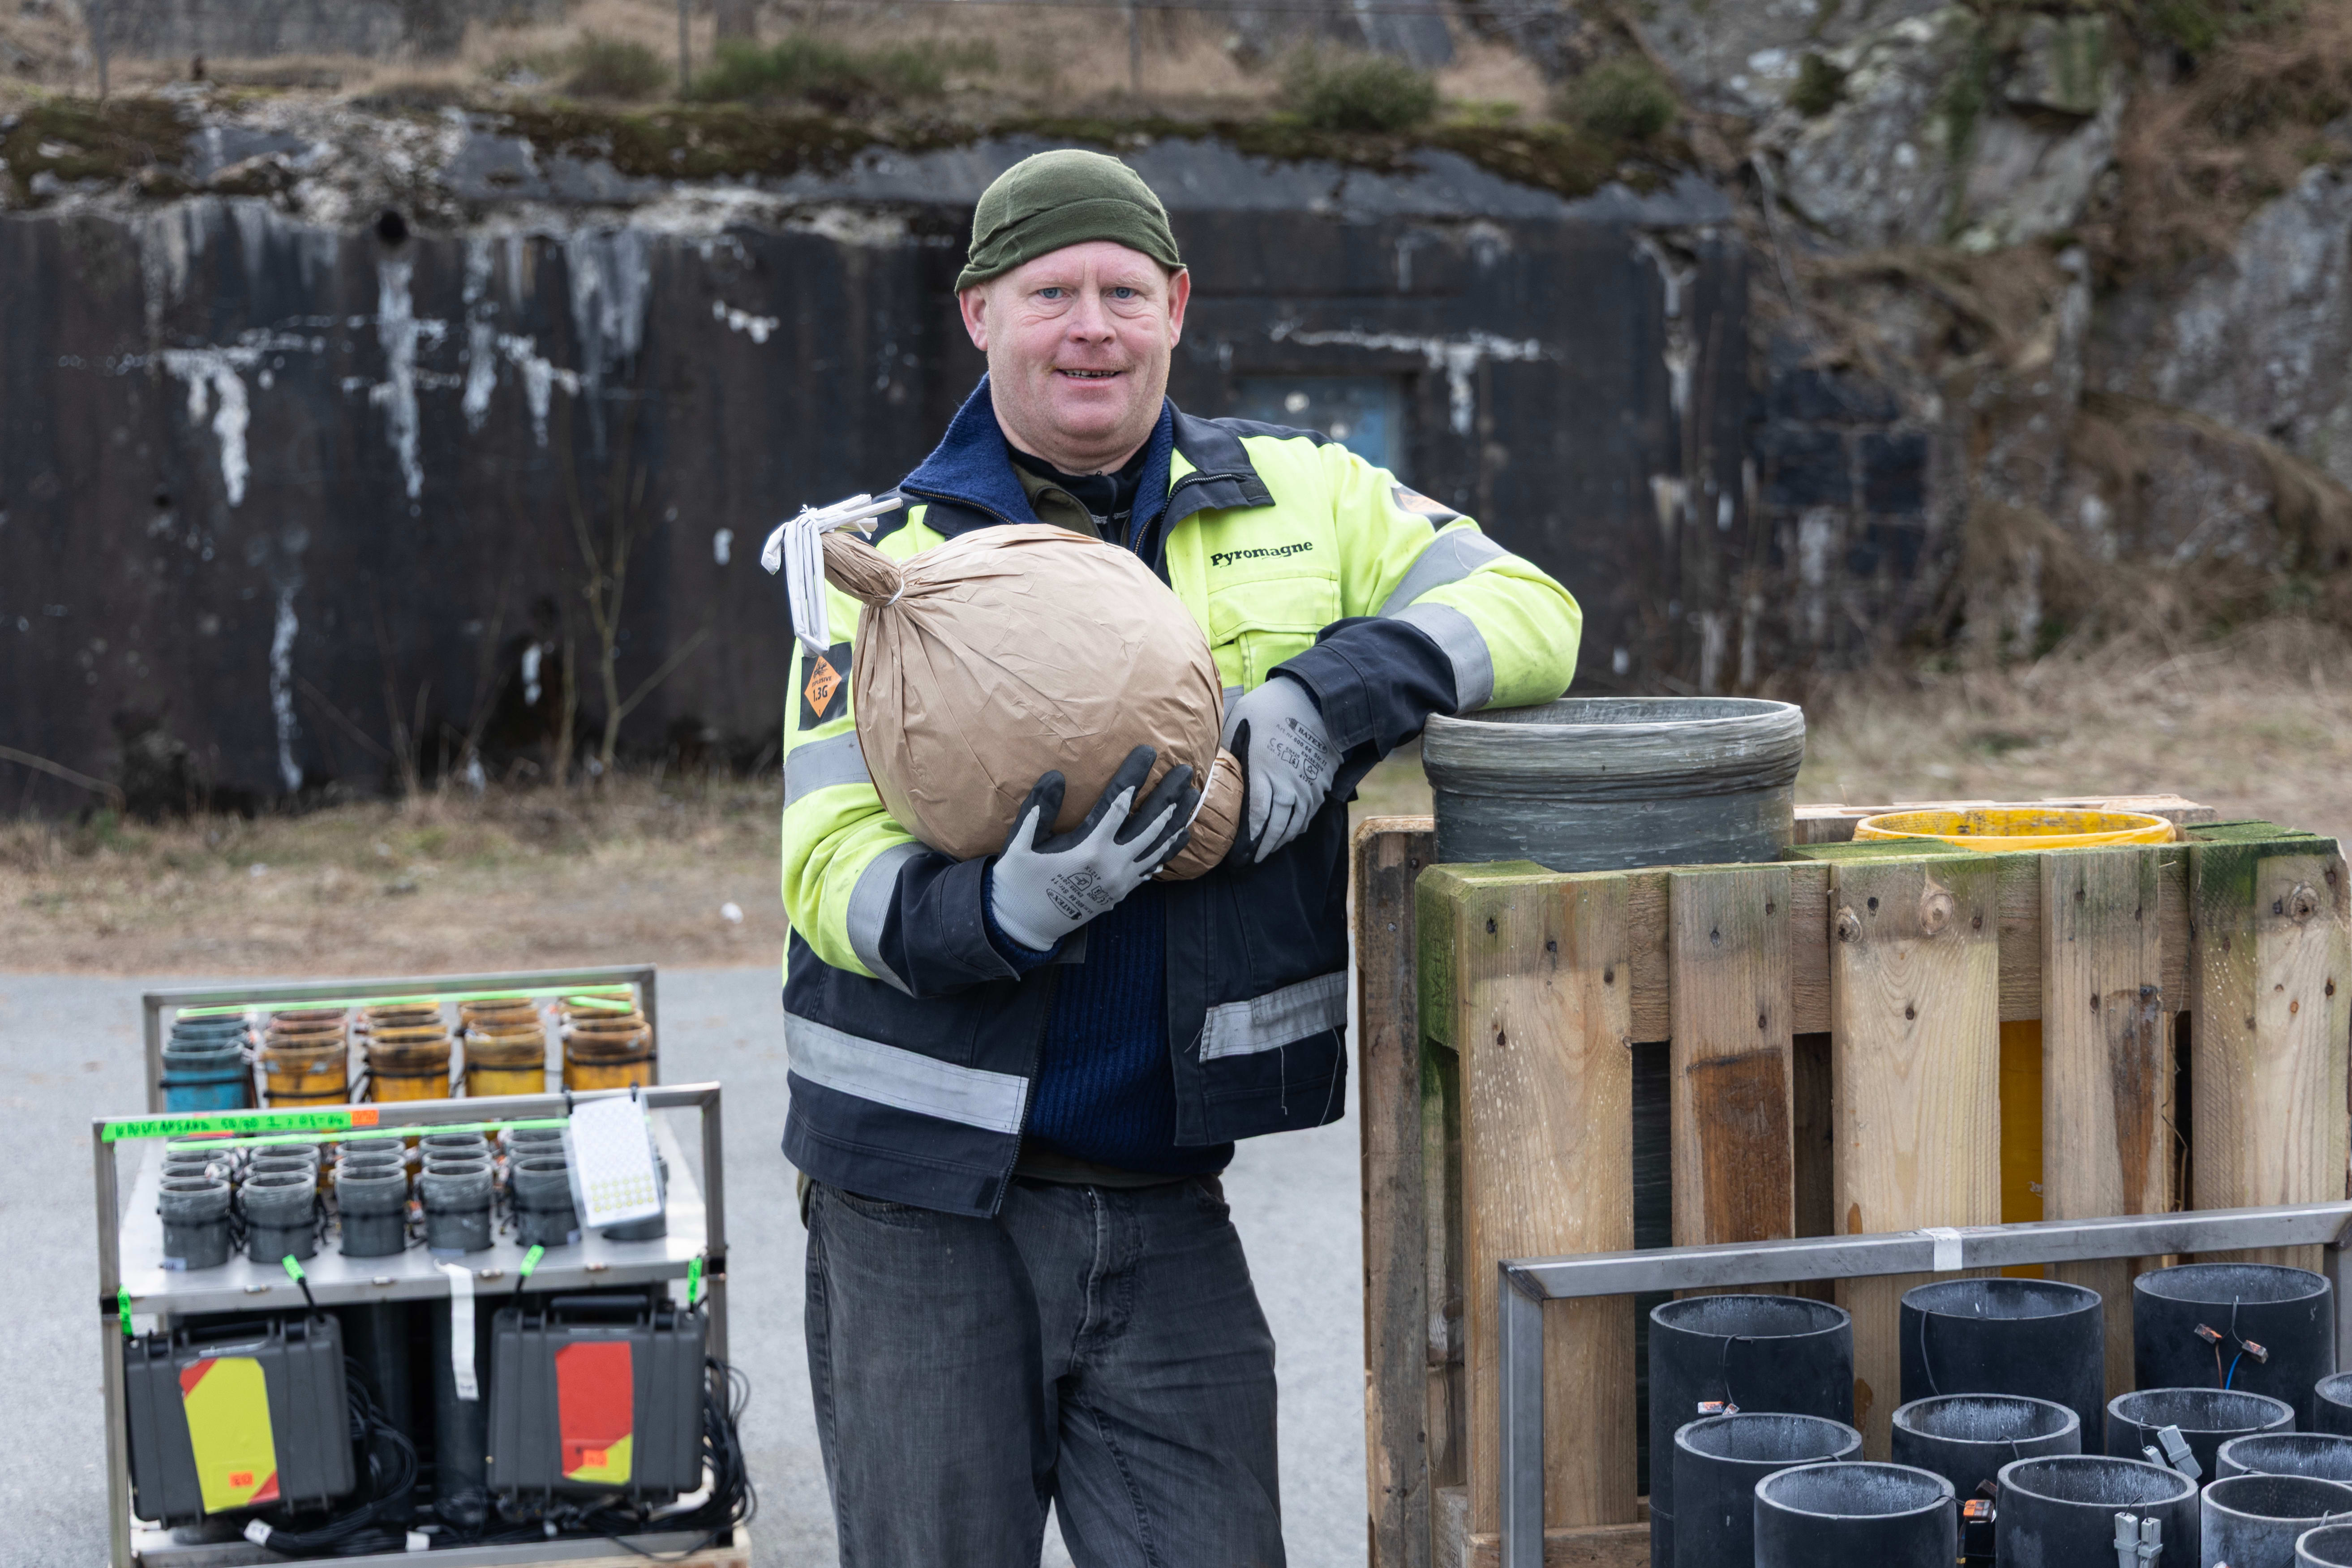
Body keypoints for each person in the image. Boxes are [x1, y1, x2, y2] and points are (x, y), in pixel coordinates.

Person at [777, 147, 1583, 1567]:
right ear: (979, 314)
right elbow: (824, 862)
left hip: (1159, 1194)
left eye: (1121, 290)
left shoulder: (1303, 497)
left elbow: (1528, 611)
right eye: (1049, 293)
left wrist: (1328, 699)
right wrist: (991, 913)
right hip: (918, 1201)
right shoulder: (880, 562)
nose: (1090, 324)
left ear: (1176, 308)